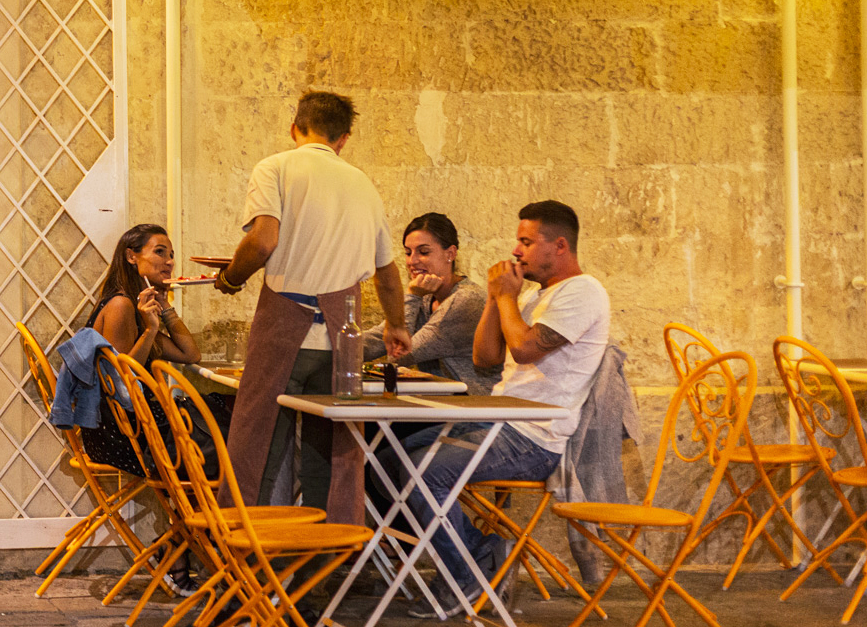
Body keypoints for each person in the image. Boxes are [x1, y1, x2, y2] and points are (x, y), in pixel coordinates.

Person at [402, 200, 610, 618]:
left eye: (527, 242)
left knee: (422, 472)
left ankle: (465, 574)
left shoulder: (584, 292)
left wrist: (506, 298)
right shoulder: (532, 297)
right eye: (518, 241)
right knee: (388, 460)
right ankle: (485, 555)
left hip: (535, 436)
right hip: (499, 418)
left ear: (560, 246)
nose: (516, 251)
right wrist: (499, 299)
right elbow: (485, 358)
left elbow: (526, 349)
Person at [212, 90, 410, 524]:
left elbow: (264, 241)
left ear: (294, 127)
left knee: (257, 447)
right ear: (344, 139)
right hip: (344, 338)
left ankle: (245, 562)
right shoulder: (364, 184)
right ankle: (328, 570)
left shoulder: (277, 167)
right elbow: (388, 272)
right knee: (333, 456)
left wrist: (230, 278)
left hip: (285, 325)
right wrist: (397, 325)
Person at [75, 223, 211, 477]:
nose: (169, 262)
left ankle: (196, 511)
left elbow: (190, 354)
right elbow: (121, 384)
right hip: (122, 437)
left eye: (171, 255)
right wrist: (149, 331)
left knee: (218, 412)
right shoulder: (121, 305)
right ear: (131, 256)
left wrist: (165, 308)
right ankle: (199, 512)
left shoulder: (136, 307)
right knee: (220, 431)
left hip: (134, 426)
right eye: (160, 252)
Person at [363, 213, 498, 396]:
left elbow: (401, 356)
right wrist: (334, 347)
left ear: (450, 254)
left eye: (423, 252)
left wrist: (412, 295)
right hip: (439, 403)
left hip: (473, 409)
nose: (412, 261)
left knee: (367, 420)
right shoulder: (426, 298)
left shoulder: (465, 300)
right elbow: (384, 336)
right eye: (408, 252)